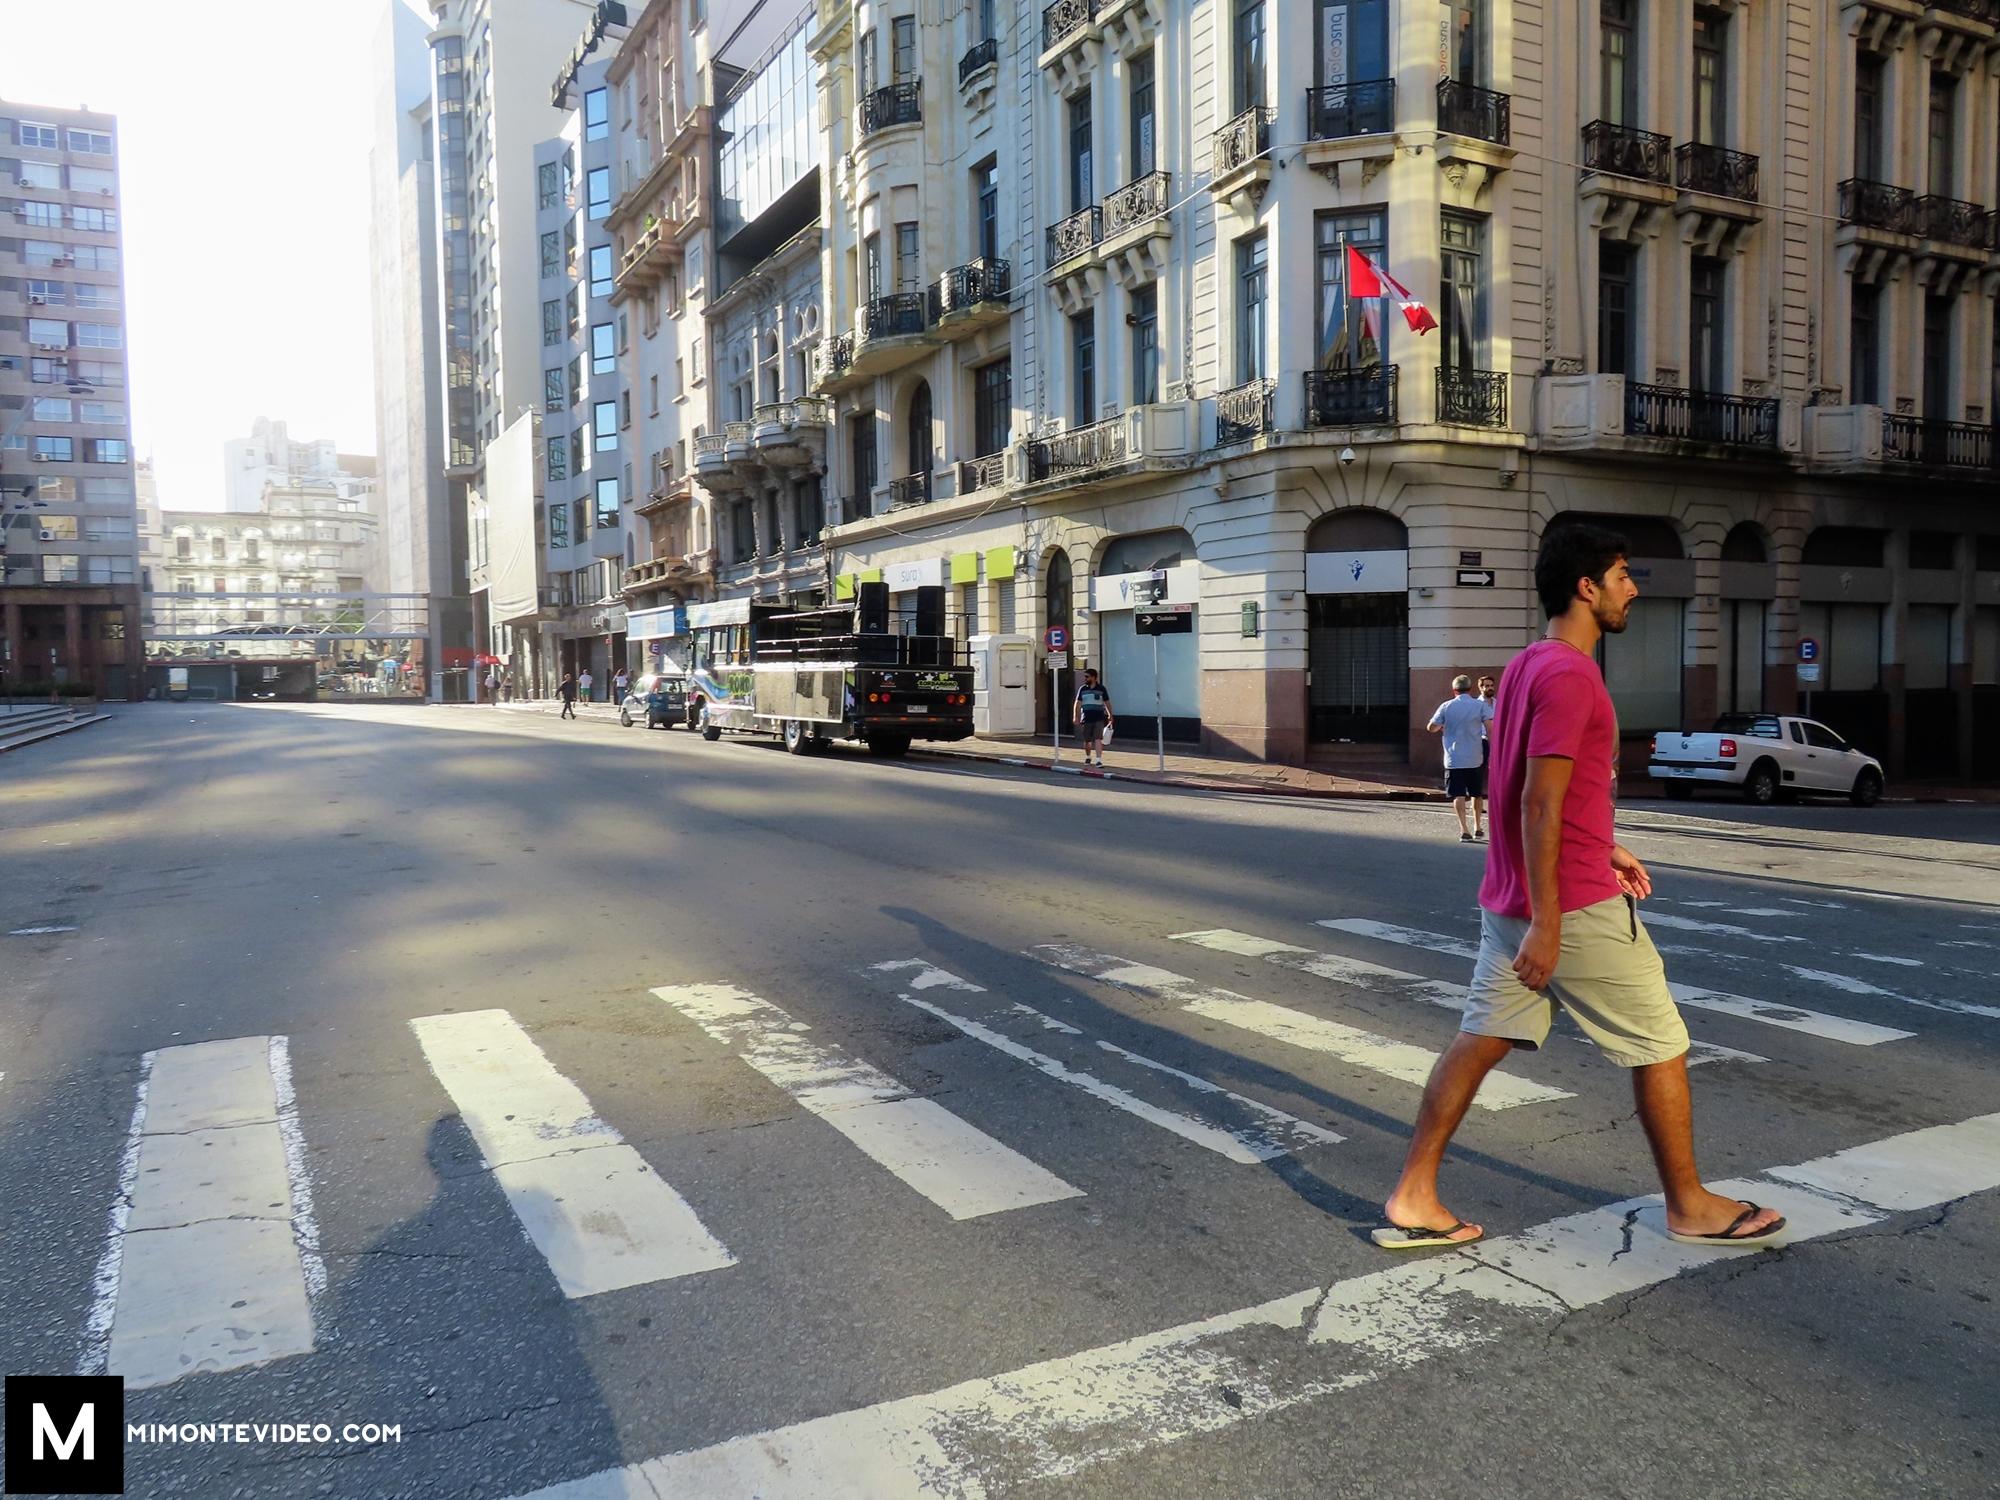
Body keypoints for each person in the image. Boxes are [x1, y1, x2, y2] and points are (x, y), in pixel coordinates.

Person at [1375, 523, 1786, 1252]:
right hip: (1569, 904)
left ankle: (1414, 1192)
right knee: (1661, 1042)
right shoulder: (1569, 675)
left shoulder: (1529, 664)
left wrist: (1607, 846)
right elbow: (1536, 800)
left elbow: (1536, 792)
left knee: (1478, 1040)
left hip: (1510, 900)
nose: (1633, 587)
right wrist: (1551, 920)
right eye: (1624, 574)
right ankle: (1689, 1204)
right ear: (1586, 587)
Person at [1426, 675, 1494, 841]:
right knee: (1476, 793)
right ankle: (1478, 826)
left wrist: (1442, 726)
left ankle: (1464, 830)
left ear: (1454, 690)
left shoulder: (1446, 706)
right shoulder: (1479, 706)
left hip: (1454, 758)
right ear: (1471, 689)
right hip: (1475, 756)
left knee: (1458, 794)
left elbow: (1431, 727)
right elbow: (1491, 729)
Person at [1073, 668, 1113, 768]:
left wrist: (1110, 715)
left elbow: (1107, 703)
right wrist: (1076, 716)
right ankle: (1088, 756)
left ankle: (1098, 760)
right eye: (1085, 676)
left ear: (1094, 677)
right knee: (1087, 740)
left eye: (1087, 677)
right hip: (1086, 718)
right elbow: (1077, 704)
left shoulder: (1101, 689)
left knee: (1098, 738)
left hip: (1099, 717)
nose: (1085, 678)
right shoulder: (1082, 689)